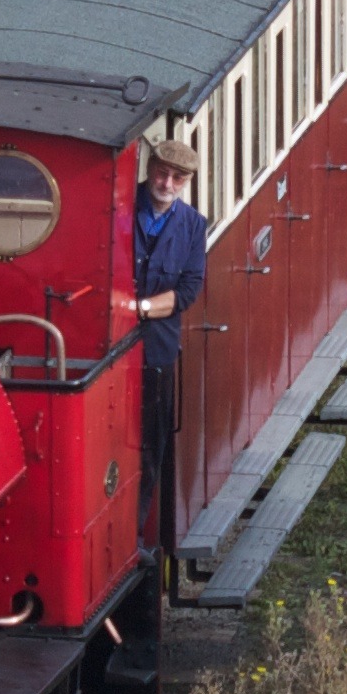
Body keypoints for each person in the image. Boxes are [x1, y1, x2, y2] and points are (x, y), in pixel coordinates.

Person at [129, 146, 209, 584]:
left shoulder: (193, 226)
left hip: (156, 352)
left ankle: (132, 537)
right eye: (163, 173)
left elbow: (187, 291)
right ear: (150, 170)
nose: (168, 184)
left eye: (178, 179)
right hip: (109, 346)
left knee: (148, 449)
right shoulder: (119, 210)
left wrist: (138, 307)